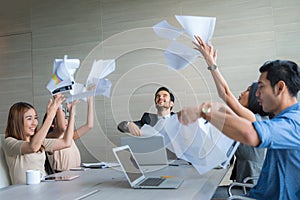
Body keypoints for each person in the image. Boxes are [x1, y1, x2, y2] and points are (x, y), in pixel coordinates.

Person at [178, 59, 300, 199]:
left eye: (261, 87)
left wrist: (204, 113)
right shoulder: (284, 119)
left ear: (280, 87)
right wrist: (221, 109)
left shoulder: (295, 121)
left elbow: (250, 134)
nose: (257, 93)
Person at [193, 35, 269, 183]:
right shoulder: (244, 121)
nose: (242, 93)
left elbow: (225, 94)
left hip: (251, 189)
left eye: (248, 91)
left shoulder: (258, 121)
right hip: (240, 184)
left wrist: (211, 63)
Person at [2, 94, 79, 184]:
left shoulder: (39, 142)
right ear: (17, 122)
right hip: (24, 193)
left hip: (44, 188)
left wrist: (72, 114)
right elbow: (33, 147)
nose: (35, 123)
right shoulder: (9, 142)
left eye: (35, 118)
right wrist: (50, 116)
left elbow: (66, 143)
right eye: (29, 118)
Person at [44, 96, 94, 172]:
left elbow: (89, 125)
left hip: (76, 174)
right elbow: (61, 128)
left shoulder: (69, 137)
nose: (66, 121)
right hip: (61, 179)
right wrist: (59, 104)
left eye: (66, 118)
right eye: (63, 118)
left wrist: (90, 101)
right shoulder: (50, 138)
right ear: (52, 124)